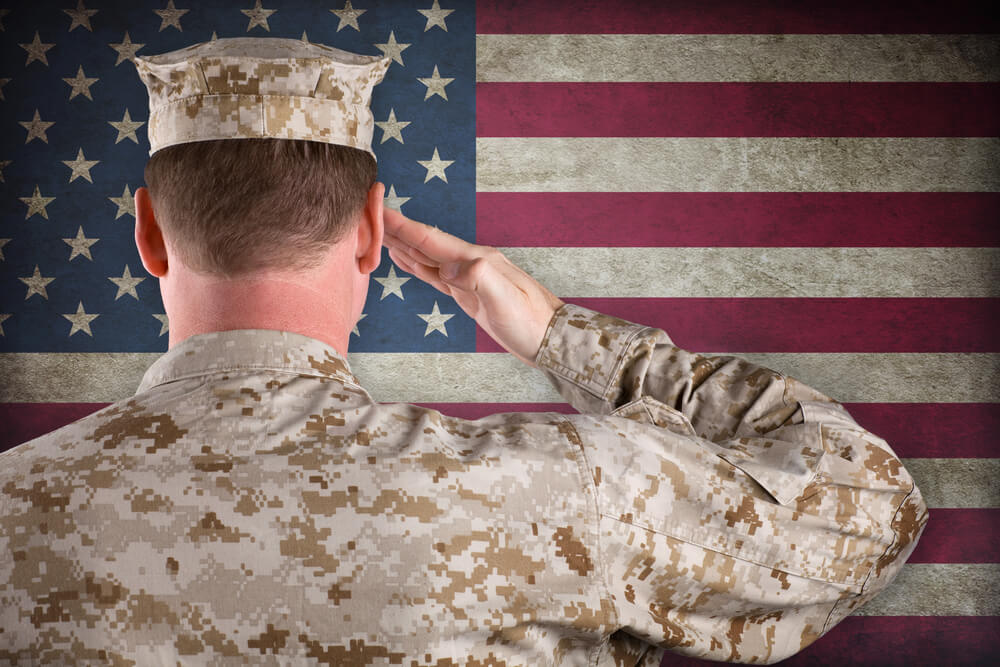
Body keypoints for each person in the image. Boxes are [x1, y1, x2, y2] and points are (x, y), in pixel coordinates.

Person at [0, 37, 927, 666]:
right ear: (371, 232)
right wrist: (566, 339)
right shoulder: (566, 495)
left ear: (149, 235)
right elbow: (869, 505)